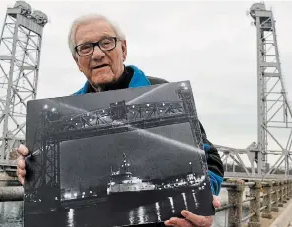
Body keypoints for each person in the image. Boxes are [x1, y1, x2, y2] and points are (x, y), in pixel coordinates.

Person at [17, 14, 224, 227]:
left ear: (123, 49)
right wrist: (32, 171)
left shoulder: (163, 92)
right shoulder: (62, 112)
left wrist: (204, 199)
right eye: (85, 48)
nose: (97, 54)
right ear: (77, 60)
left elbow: (211, 160)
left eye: (107, 43)